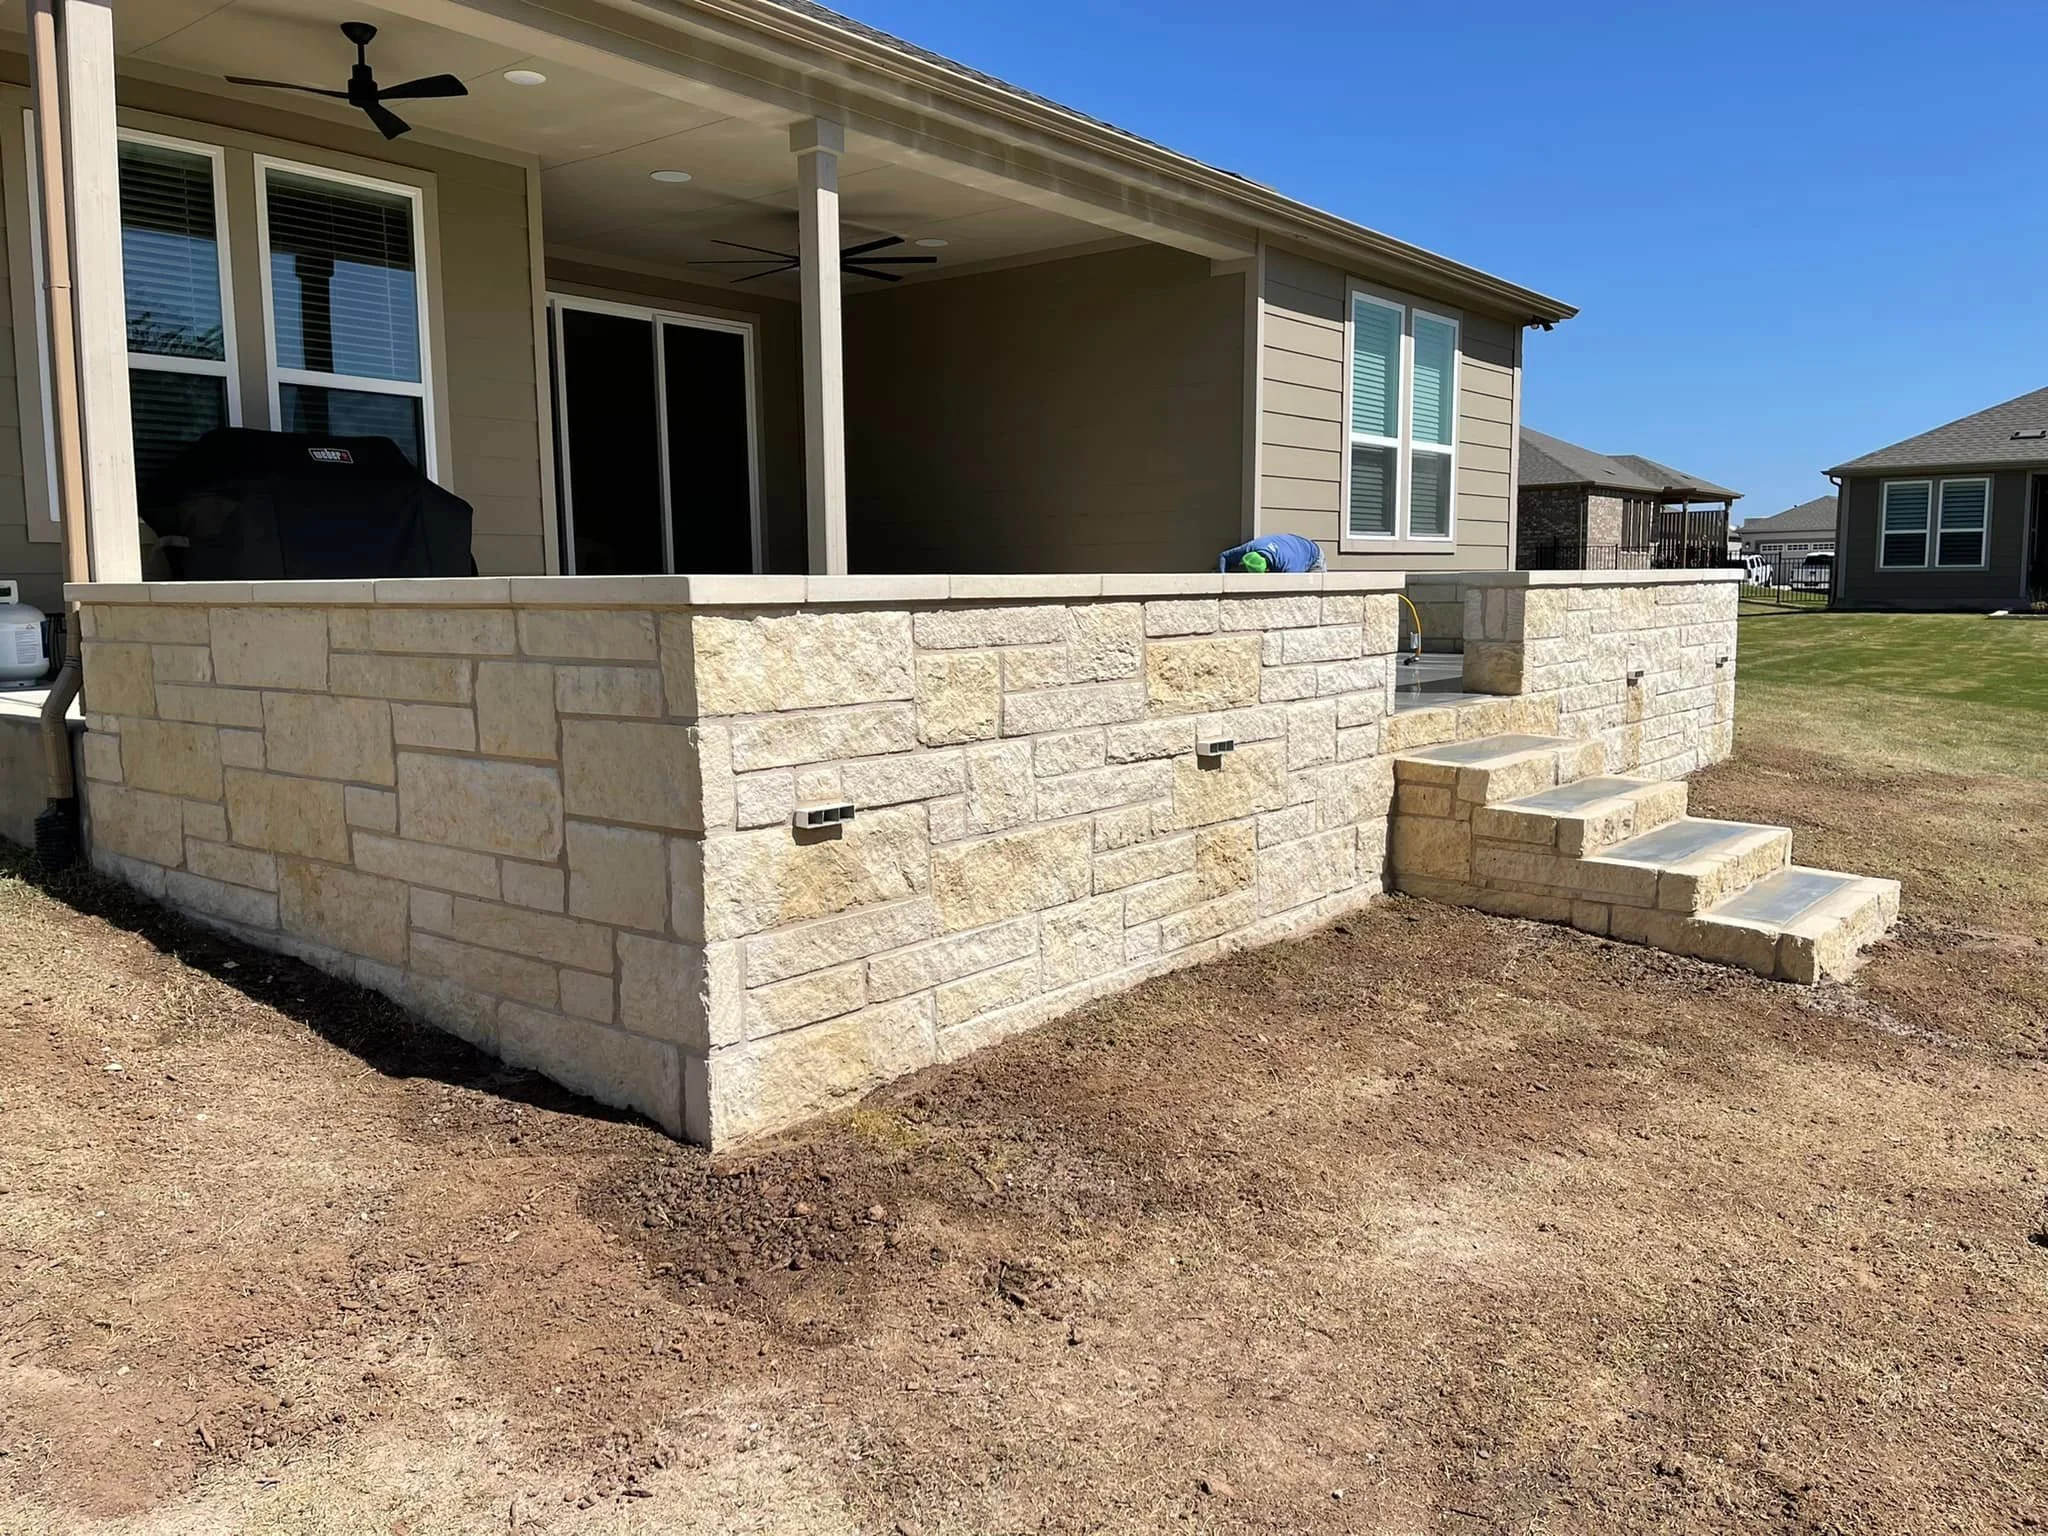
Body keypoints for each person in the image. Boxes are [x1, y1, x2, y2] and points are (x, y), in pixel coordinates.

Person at [1216, 532, 1327, 573]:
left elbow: (1291, 590)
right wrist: (1222, 579)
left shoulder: (1289, 568)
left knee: (1310, 598)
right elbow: (1224, 556)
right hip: (1291, 544)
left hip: (1313, 556)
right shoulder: (1251, 547)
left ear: (1267, 569)